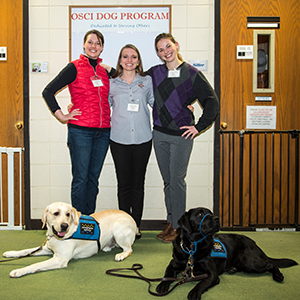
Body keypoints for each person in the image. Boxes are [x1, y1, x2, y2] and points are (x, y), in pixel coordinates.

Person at [146, 33, 219, 243]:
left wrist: (198, 127)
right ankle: (171, 222)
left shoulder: (192, 74)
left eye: (167, 46)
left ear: (176, 45)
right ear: (158, 54)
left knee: (177, 181)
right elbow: (131, 76)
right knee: (168, 181)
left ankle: (179, 227)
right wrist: (109, 70)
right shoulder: (155, 72)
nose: (165, 52)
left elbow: (212, 102)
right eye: (160, 49)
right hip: (159, 134)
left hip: (181, 137)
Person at [42, 30, 113, 215]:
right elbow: (48, 91)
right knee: (81, 179)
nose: (93, 46)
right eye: (90, 42)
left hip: (103, 132)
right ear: (83, 44)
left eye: (98, 43)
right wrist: (61, 115)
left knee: (93, 179)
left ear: (102, 47)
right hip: (81, 131)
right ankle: (78, 222)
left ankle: (88, 221)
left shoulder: (105, 72)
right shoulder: (74, 67)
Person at [109, 44, 154, 238]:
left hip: (143, 139)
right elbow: (101, 104)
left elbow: (157, 103)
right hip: (118, 139)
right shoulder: (112, 83)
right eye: (125, 57)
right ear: (120, 60)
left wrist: (183, 108)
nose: (129, 60)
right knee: (123, 184)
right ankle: (123, 227)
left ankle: (135, 227)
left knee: (138, 184)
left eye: (133, 57)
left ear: (138, 60)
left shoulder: (147, 81)